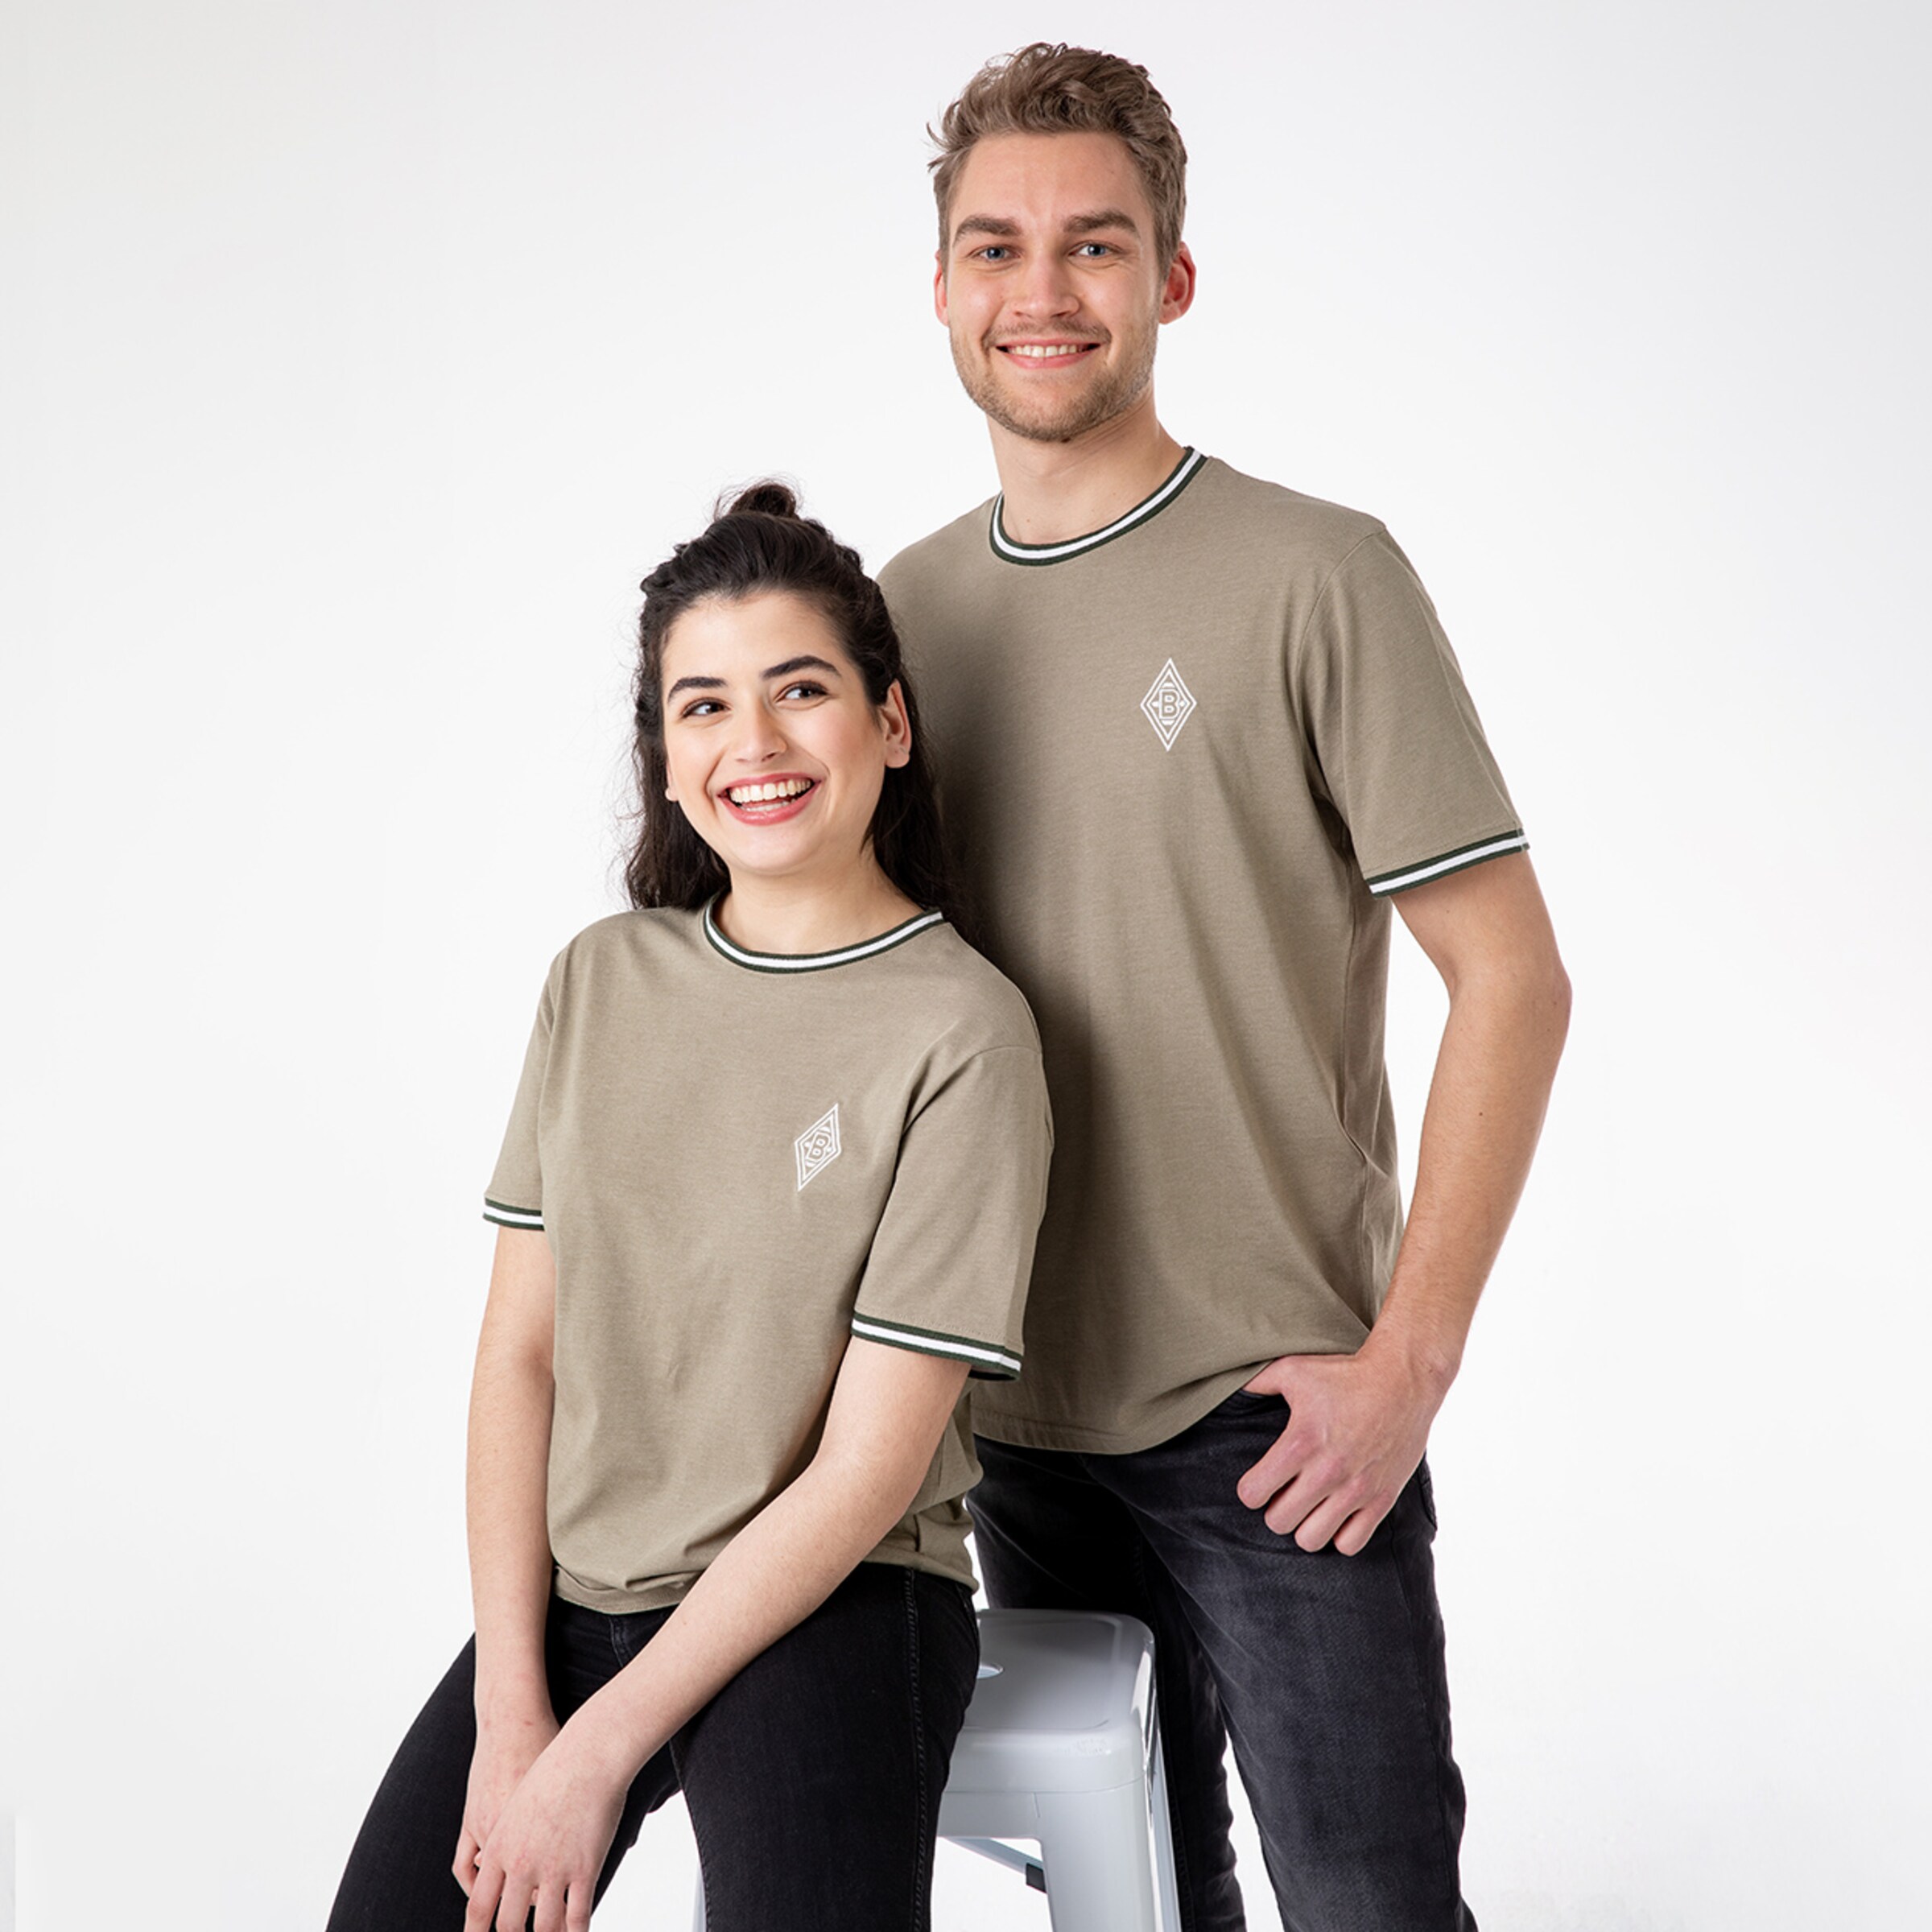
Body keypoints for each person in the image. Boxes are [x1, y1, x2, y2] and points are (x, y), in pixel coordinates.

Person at [878, 44, 1572, 1932]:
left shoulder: (1317, 577)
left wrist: (1407, 1364)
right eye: (996, 247)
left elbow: (1511, 976)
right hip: (1004, 1432)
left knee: (1372, 1907)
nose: (1043, 292)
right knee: (1116, 1911)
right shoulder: (893, 625)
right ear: (938, 283)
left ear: (1171, 277)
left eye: (1095, 244)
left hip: (1281, 1430)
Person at [327, 484, 1051, 1932]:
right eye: (703, 706)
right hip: (577, 1599)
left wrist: (598, 1756)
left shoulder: (963, 1030)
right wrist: (517, 1709)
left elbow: (861, 1474)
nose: (755, 744)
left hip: (833, 1599)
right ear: (663, 759)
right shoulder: (598, 982)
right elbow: (518, 1359)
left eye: (801, 690)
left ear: (889, 725)